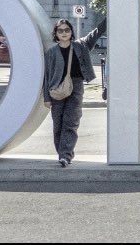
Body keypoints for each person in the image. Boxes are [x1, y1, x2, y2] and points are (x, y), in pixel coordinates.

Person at [43, 18, 106, 168]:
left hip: (76, 87)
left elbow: (96, 33)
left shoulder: (80, 46)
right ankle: (62, 154)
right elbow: (46, 76)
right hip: (56, 90)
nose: (64, 33)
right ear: (56, 34)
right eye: (60, 31)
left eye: (67, 30)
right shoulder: (51, 52)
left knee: (70, 122)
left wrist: (109, 16)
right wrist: (46, 97)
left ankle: (65, 155)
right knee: (58, 124)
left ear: (71, 32)